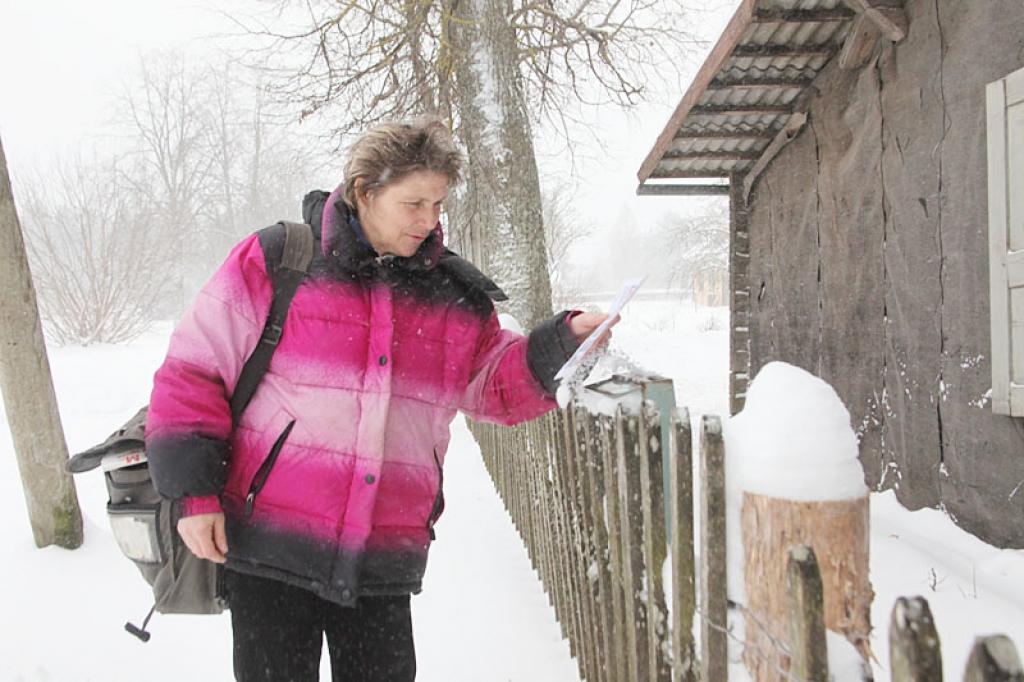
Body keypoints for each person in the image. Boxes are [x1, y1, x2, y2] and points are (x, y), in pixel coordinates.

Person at [144, 117, 614, 682]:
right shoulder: (279, 260)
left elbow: (494, 385)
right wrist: (196, 495)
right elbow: (194, 371)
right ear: (365, 191)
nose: (429, 220)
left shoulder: (453, 296)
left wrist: (564, 343)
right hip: (271, 549)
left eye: (438, 204)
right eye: (413, 202)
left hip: (382, 558)